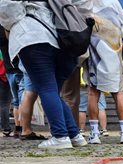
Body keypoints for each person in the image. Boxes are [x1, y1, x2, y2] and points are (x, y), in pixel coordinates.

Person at [0, 1, 88, 149]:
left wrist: (13, 24)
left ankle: (60, 136)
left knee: (46, 89)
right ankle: (74, 134)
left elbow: (8, 8)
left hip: (34, 37)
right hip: (65, 39)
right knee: (52, 91)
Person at [86, 0, 123, 145]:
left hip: (95, 55)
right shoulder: (114, 3)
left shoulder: (87, 3)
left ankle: (94, 133)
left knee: (93, 92)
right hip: (114, 54)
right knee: (118, 93)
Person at [0, 27, 23, 137]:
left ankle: (15, 129)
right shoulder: (17, 39)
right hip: (19, 70)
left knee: (14, 102)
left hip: (8, 72)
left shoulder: (2, 43)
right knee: (22, 100)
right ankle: (23, 127)